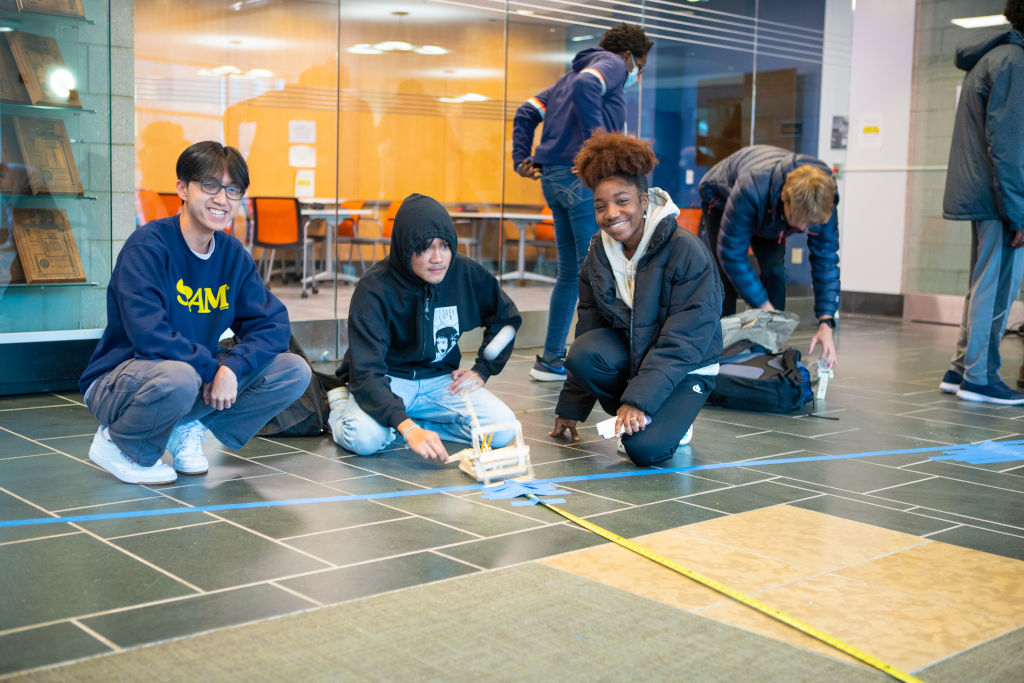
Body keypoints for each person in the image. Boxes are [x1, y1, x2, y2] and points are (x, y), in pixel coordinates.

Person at [80, 142, 311, 485]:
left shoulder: (232, 255)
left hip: (186, 375)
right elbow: (149, 335)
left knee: (292, 370)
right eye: (210, 185)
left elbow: (272, 324)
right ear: (182, 188)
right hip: (120, 379)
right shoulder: (148, 247)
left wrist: (232, 367)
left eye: (233, 189)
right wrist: (213, 369)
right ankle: (117, 444)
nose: (222, 198)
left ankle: (187, 425)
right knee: (182, 377)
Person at [548, 131, 723, 466]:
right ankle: (635, 416)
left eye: (623, 201)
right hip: (638, 361)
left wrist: (639, 400)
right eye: (601, 206)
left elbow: (683, 342)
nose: (612, 213)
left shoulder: (686, 252)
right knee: (585, 352)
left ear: (645, 201)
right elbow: (589, 331)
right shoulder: (597, 255)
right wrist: (571, 408)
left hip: (688, 366)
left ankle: (660, 418)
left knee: (645, 451)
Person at [329, 193, 522, 461]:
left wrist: (483, 370)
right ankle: (341, 404)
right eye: (424, 248)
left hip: (440, 382)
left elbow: (507, 320)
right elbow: (368, 373)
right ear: (405, 248)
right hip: (389, 380)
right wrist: (405, 426)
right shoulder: (373, 288)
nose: (437, 258)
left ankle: (416, 429)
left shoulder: (464, 273)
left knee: (503, 430)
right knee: (364, 439)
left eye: (444, 245)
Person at [512, 23, 654, 382]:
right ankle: (603, 358)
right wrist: (603, 147)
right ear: (629, 56)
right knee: (601, 267)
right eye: (640, 66)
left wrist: (520, 157)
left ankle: (551, 359)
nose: (637, 74)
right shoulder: (611, 65)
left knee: (571, 272)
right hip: (580, 178)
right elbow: (587, 86)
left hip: (554, 178)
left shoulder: (563, 81)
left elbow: (526, 111)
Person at [939, 1, 1024, 405]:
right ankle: (980, 377)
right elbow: (1009, 147)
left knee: (983, 284)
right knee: (998, 287)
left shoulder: (993, 55)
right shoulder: (1014, 60)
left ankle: (960, 369)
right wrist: (1021, 211)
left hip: (985, 193)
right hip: (999, 198)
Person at [698, 144, 840, 367]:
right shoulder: (751, 187)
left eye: (809, 224)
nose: (803, 229)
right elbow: (732, 255)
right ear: (785, 196)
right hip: (722, 195)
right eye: (798, 221)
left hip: (772, 211)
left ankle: (767, 352)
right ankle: (718, 352)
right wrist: (763, 305)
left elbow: (826, 260)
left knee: (773, 269)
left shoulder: (823, 200)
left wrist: (826, 322)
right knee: (725, 277)